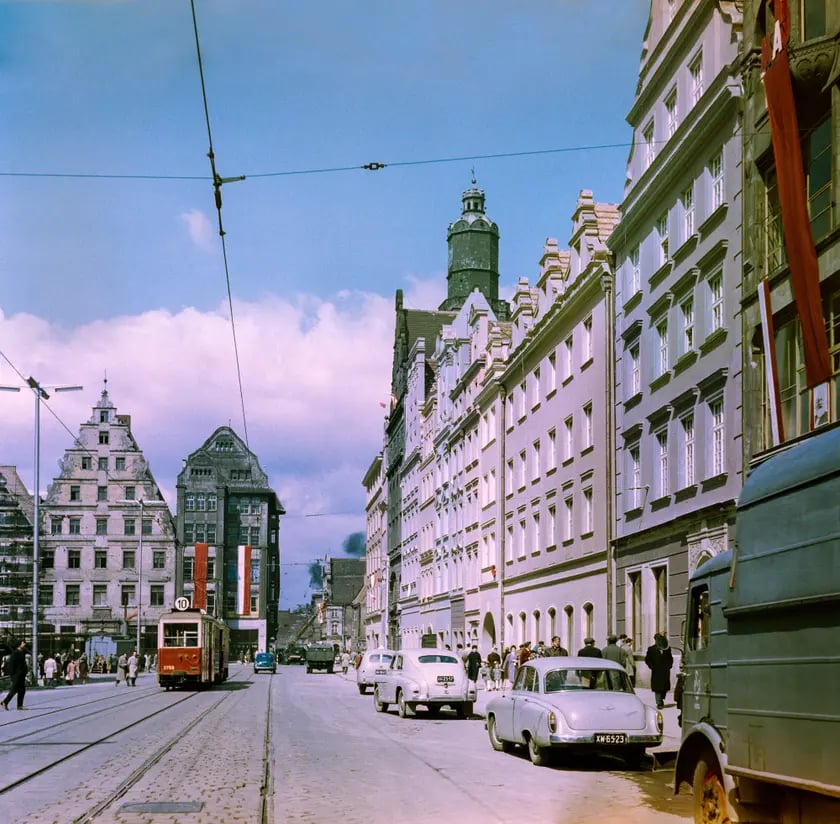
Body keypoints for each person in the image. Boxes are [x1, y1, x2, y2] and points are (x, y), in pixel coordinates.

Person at [645, 632, 674, 709]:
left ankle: (661, 698)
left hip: (665, 671)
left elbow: (670, 659)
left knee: (664, 688)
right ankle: (659, 702)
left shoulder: (667, 649)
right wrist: (652, 666)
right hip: (656, 672)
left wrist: (669, 666)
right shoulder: (651, 649)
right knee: (657, 688)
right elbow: (648, 660)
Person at [2, 642, 29, 710]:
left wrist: (25, 671)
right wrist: (12, 674)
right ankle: (5, 701)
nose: (25, 644)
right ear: (19, 644)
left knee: (22, 690)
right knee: (14, 689)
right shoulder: (15, 653)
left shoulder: (22, 652)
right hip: (16, 675)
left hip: (21, 675)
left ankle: (19, 705)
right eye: (23, 643)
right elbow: (11, 665)